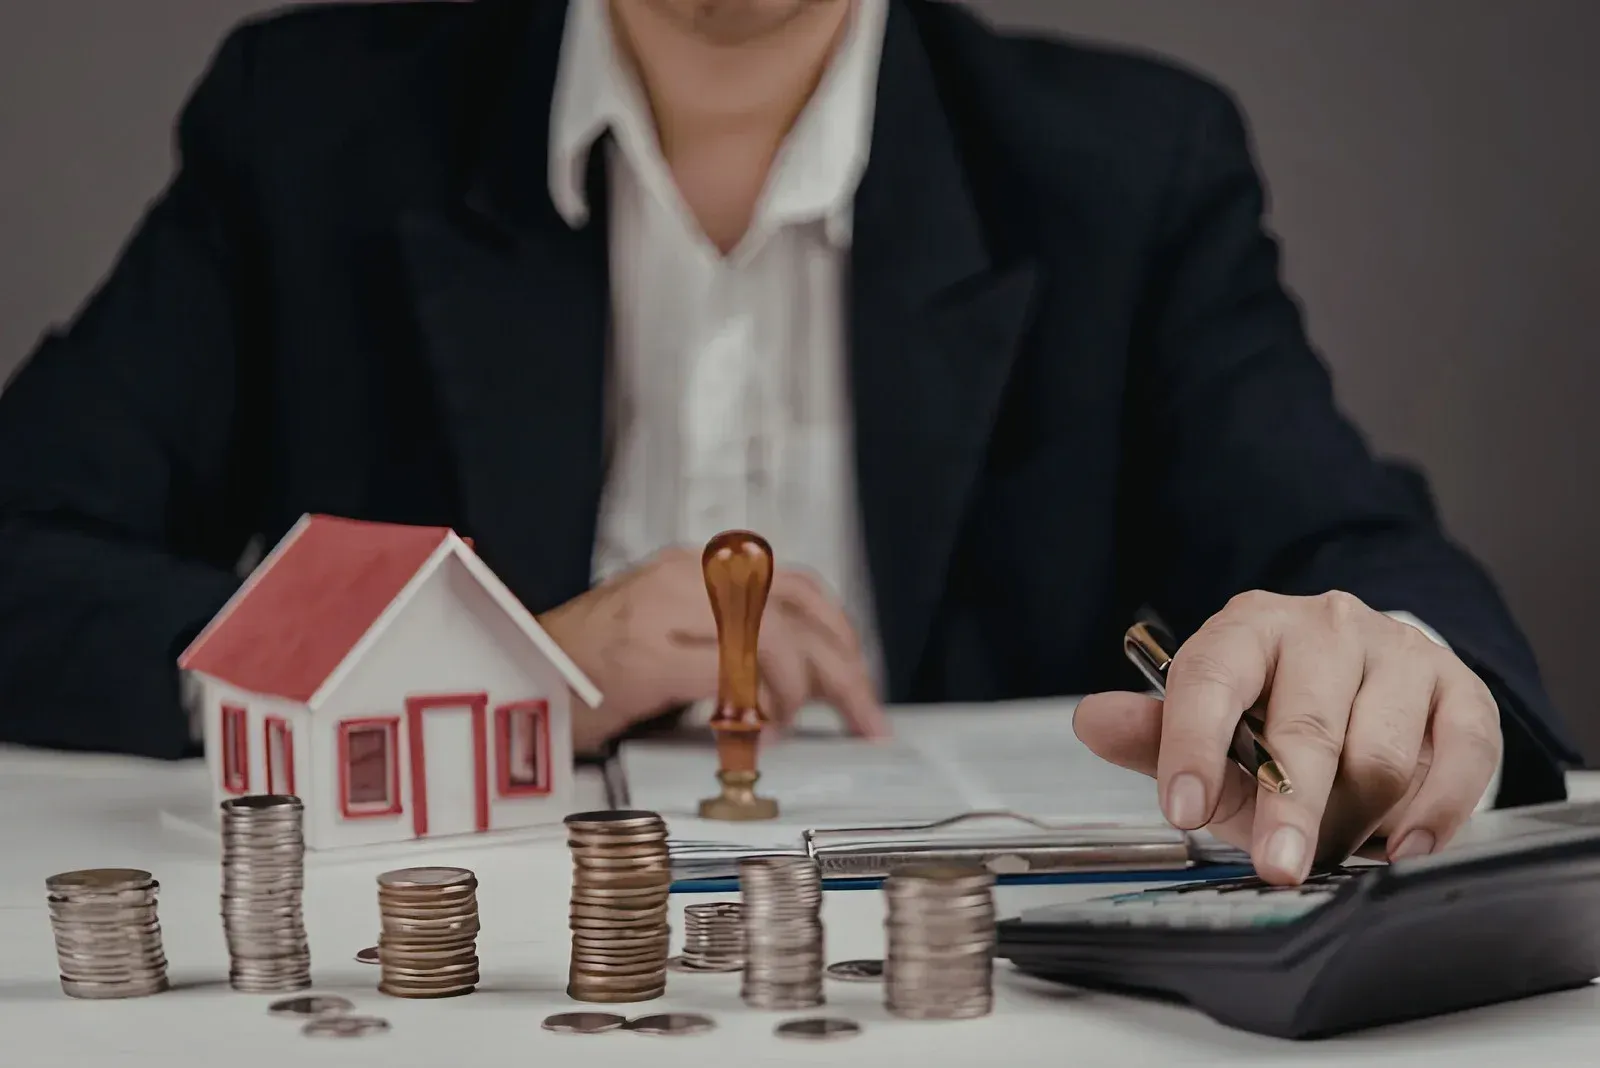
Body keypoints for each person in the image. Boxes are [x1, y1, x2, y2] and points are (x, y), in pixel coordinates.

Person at [0, 0, 1578, 884]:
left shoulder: (1127, 171)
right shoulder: (311, 124)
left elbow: (1353, 552)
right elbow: (22, 551)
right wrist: (514, 664)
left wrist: (1398, 680)